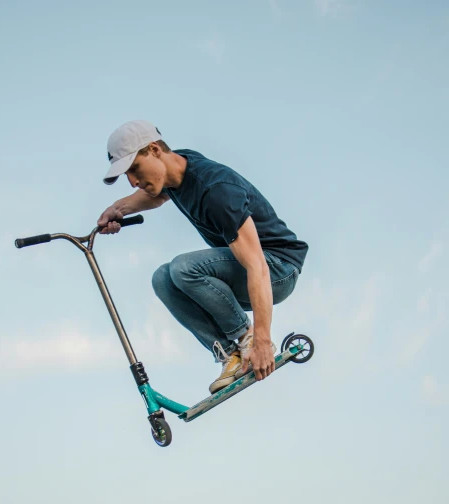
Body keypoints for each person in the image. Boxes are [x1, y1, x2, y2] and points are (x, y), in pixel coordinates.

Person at [98, 120, 308, 394]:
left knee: (183, 268)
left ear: (154, 150)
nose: (134, 181)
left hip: (278, 269)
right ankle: (231, 355)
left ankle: (247, 338)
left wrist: (262, 341)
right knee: (162, 279)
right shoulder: (176, 170)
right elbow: (159, 195)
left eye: (135, 169)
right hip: (253, 272)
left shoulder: (216, 190)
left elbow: (257, 265)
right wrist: (118, 208)